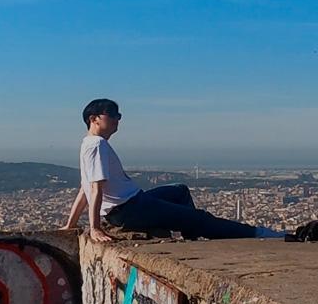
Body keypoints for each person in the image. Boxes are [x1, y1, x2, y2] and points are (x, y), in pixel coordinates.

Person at [60, 99, 285, 242]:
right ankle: (258, 233)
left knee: (180, 190)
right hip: (129, 210)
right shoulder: (97, 145)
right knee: (200, 217)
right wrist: (95, 228)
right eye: (113, 114)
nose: (118, 119)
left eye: (119, 114)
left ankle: (191, 234)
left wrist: (71, 225)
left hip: (131, 204)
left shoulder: (87, 144)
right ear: (94, 118)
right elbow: (94, 189)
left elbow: (84, 190)